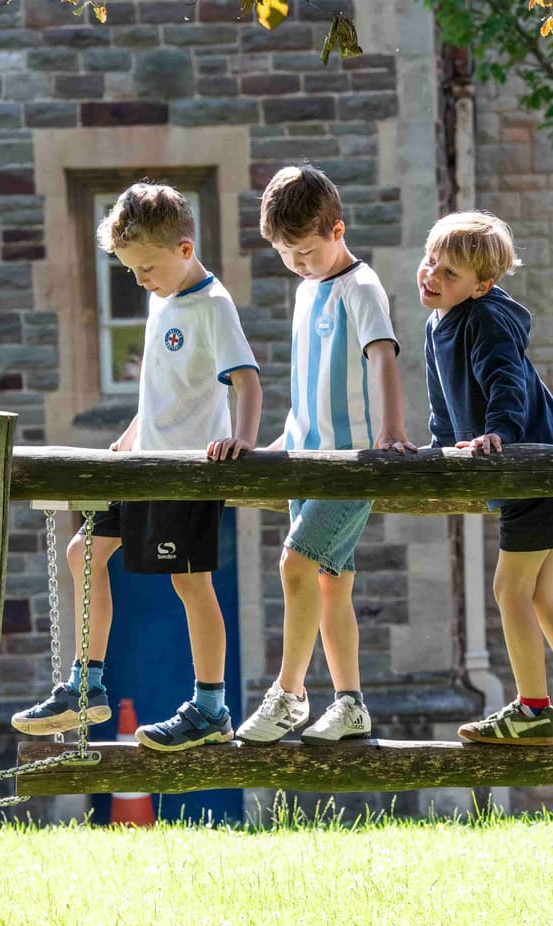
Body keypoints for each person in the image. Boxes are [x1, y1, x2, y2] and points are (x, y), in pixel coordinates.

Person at [11, 183, 263, 752]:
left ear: (183, 247)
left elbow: (247, 380)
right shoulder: (161, 298)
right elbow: (161, 391)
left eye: (147, 266)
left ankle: (211, 707)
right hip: (143, 462)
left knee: (190, 583)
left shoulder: (213, 305)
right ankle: (87, 686)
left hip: (186, 471)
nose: (140, 279)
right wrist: (127, 438)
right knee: (82, 553)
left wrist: (242, 442)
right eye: (131, 270)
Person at [420, 211, 553, 745]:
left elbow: (506, 381)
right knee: (538, 593)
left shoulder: (485, 318)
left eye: (449, 273)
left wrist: (497, 433)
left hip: (538, 465)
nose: (432, 276)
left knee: (510, 589)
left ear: (483, 286)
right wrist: (440, 448)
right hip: (535, 470)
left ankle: (532, 708)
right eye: (430, 261)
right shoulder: (438, 323)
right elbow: (444, 402)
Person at [236, 164, 414, 746]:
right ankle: (350, 704)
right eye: (287, 254)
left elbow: (383, 357)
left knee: (295, 565)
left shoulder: (361, 287)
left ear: (338, 230)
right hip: (304, 460)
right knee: (333, 583)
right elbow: (311, 377)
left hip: (349, 462)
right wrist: (288, 437)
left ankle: (288, 694)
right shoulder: (305, 291)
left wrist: (390, 431)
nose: (299, 263)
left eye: (307, 251)